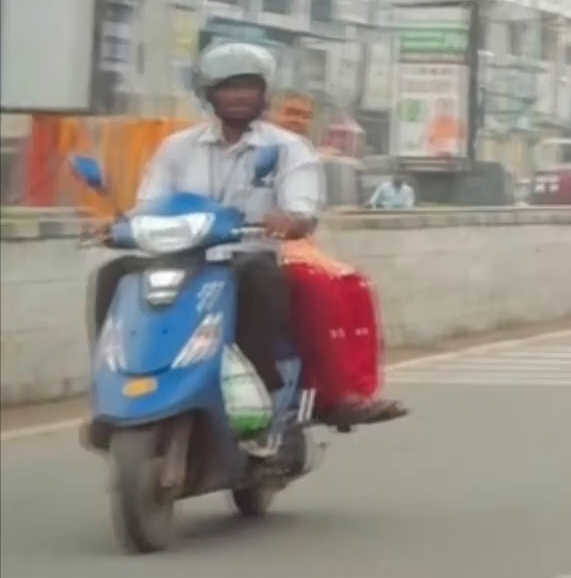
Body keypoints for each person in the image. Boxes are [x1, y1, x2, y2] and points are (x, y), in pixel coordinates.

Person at [88, 42, 401, 423]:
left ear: (263, 93)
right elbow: (150, 205)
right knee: (114, 274)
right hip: (180, 259)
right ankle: (112, 382)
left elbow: (302, 206)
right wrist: (120, 225)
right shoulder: (176, 148)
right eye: (227, 87)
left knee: (262, 275)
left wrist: (291, 219)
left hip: (248, 256)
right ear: (208, 94)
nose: (238, 96)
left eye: (248, 86)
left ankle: (262, 380)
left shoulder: (288, 148)